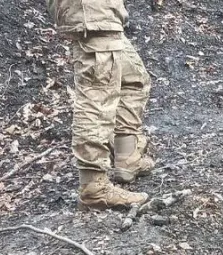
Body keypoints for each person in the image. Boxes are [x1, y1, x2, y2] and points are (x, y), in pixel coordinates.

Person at [48, 0, 155, 210]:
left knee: (133, 78)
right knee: (97, 97)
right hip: (91, 11)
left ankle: (126, 156)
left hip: (104, 12)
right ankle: (94, 187)